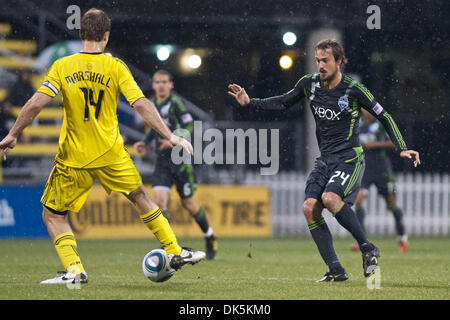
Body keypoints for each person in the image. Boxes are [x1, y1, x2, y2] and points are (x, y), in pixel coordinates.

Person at [0, 8, 205, 285]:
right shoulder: (116, 66)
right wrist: (172, 135)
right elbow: (142, 103)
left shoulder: (63, 66)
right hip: (111, 153)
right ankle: (175, 249)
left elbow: (36, 103)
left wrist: (13, 134)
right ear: (106, 36)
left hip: (75, 157)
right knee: (140, 196)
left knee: (52, 214)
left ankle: (75, 270)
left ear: (82, 33)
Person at [228, 39, 420, 282]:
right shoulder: (309, 84)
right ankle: (336, 270)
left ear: (339, 61)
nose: (320, 65)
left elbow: (385, 116)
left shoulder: (353, 89)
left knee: (330, 198)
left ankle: (367, 248)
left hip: (350, 158)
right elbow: (282, 102)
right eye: (318, 60)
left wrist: (401, 147)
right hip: (326, 160)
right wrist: (250, 102)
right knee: (309, 208)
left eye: (325, 60)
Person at [134, 69, 218, 260]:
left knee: (188, 204)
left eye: (164, 82)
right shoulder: (152, 104)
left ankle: (210, 236)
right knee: (160, 202)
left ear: (171, 85)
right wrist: (145, 142)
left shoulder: (176, 103)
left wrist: (175, 139)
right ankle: (169, 246)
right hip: (162, 164)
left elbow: (189, 125)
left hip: (180, 163)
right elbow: (155, 128)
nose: (161, 85)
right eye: (157, 82)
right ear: (153, 85)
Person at [351, 108, 408, 252]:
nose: (366, 111)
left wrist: (375, 144)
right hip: (364, 168)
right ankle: (361, 240)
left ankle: (402, 238)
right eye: (363, 109)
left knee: (391, 203)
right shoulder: (357, 124)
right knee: (358, 200)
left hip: (381, 168)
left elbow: (393, 143)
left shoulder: (381, 124)